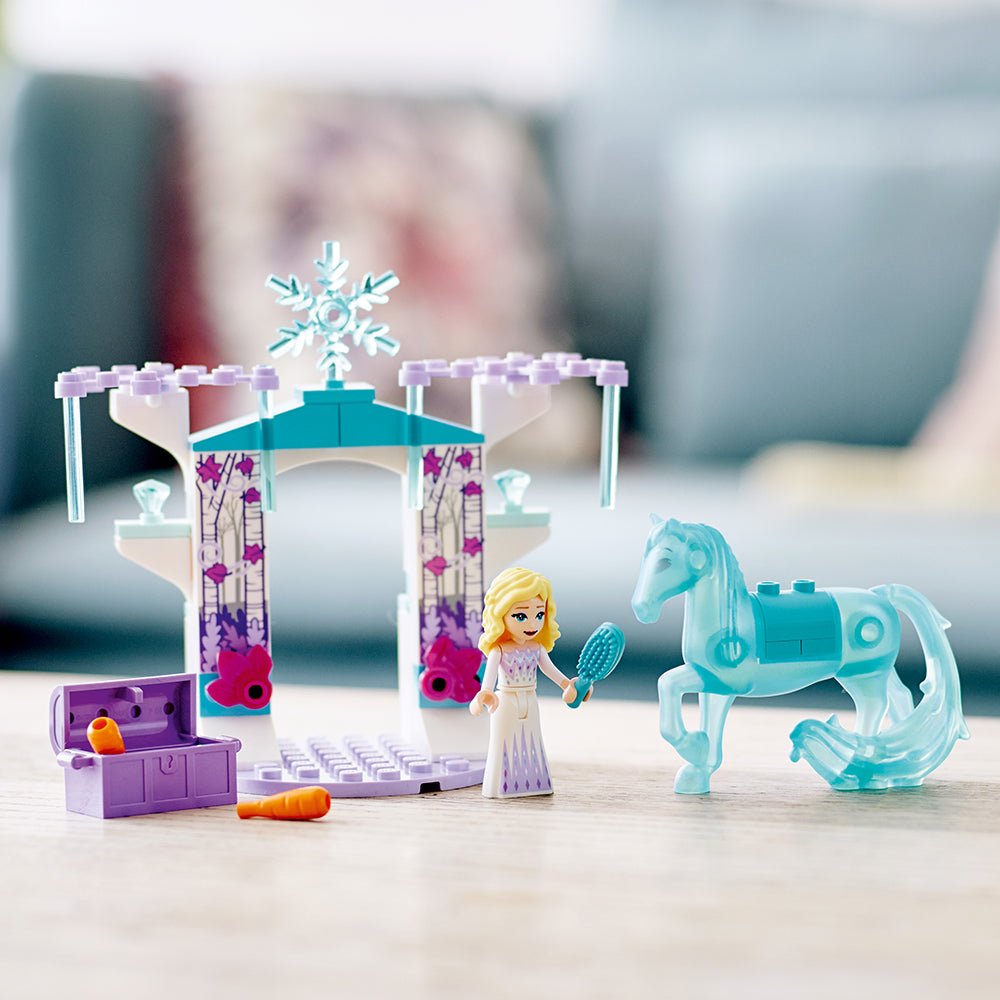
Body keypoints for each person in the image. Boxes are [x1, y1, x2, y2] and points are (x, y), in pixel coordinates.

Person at [470, 567, 587, 798]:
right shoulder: (499, 649)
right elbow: (489, 680)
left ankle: (533, 783)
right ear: (500, 615)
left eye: (539, 615)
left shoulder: (537, 648)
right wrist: (485, 694)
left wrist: (569, 685)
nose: (532, 623)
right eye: (521, 616)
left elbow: (551, 671)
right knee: (504, 743)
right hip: (505, 701)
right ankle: (502, 787)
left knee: (532, 740)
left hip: (530, 700)